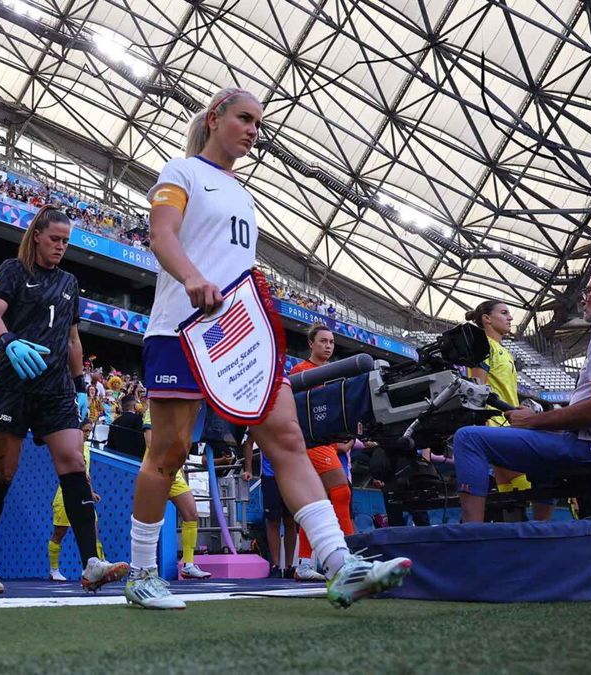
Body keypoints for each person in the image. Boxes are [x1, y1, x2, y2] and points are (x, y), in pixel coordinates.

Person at [128, 87, 410, 610]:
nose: (254, 130)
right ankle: (142, 572)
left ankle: (339, 563)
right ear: (215, 119)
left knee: (288, 439)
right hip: (181, 331)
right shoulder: (180, 173)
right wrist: (192, 278)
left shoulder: (245, 195)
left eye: (258, 122)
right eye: (245, 118)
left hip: (241, 338)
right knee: (167, 453)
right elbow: (162, 236)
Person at [0, 205, 129, 594]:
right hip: (13, 384)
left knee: (74, 463)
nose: (60, 247)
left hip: (56, 389)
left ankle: (92, 562)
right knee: (2, 472)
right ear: (37, 235)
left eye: (66, 241)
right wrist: (8, 342)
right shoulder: (14, 270)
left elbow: (74, 339)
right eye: (55, 239)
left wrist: (79, 385)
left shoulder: (70, 282)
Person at [452, 259, 591, 522]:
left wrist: (532, 420)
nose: (585, 299)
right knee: (542, 435)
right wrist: (545, 423)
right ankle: (542, 529)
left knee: (468, 438)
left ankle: (472, 535)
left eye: (589, 290)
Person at [465, 300, 553, 520]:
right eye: (504, 313)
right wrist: (483, 426)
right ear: (487, 319)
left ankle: (525, 538)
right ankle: (542, 535)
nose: (510, 318)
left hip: (510, 425)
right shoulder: (483, 345)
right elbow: (477, 389)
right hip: (497, 426)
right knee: (538, 480)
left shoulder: (504, 351)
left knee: (512, 492)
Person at [286, 325, 354, 582]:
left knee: (319, 503)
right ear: (311, 344)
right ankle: (347, 555)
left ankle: (304, 564)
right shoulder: (300, 371)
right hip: (310, 442)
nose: (328, 346)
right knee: (341, 492)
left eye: (332, 342)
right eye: (323, 341)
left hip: (328, 442)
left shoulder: (334, 374)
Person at [47, 419, 107, 581]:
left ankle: (95, 567)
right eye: (85, 431)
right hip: (64, 495)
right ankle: (54, 570)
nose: (87, 434)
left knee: (93, 530)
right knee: (59, 533)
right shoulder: (68, 446)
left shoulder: (87, 449)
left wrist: (91, 492)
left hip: (84, 494)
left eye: (89, 431)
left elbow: (87, 474)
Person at [244, 438, 295, 578]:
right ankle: (276, 565)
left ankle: (290, 566)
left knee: (290, 520)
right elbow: (248, 442)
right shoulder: (261, 419)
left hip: (292, 477)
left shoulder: (293, 419)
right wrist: (248, 469)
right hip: (270, 477)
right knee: (273, 521)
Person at [105, 394, 146, 459]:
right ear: (135, 406)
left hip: (118, 458)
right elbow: (141, 441)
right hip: (136, 459)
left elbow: (110, 445)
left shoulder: (115, 422)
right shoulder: (138, 419)